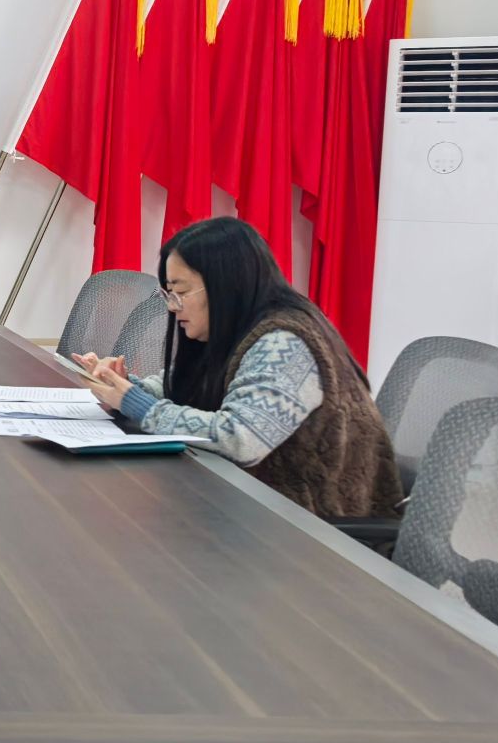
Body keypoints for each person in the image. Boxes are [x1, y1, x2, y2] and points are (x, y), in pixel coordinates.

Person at [74, 217, 404, 520]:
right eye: (169, 294)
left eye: (181, 292)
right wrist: (123, 386)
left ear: (225, 285)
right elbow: (183, 387)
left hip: (315, 527)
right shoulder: (232, 329)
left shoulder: (286, 344)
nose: (172, 307)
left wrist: (137, 403)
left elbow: (240, 439)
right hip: (252, 505)